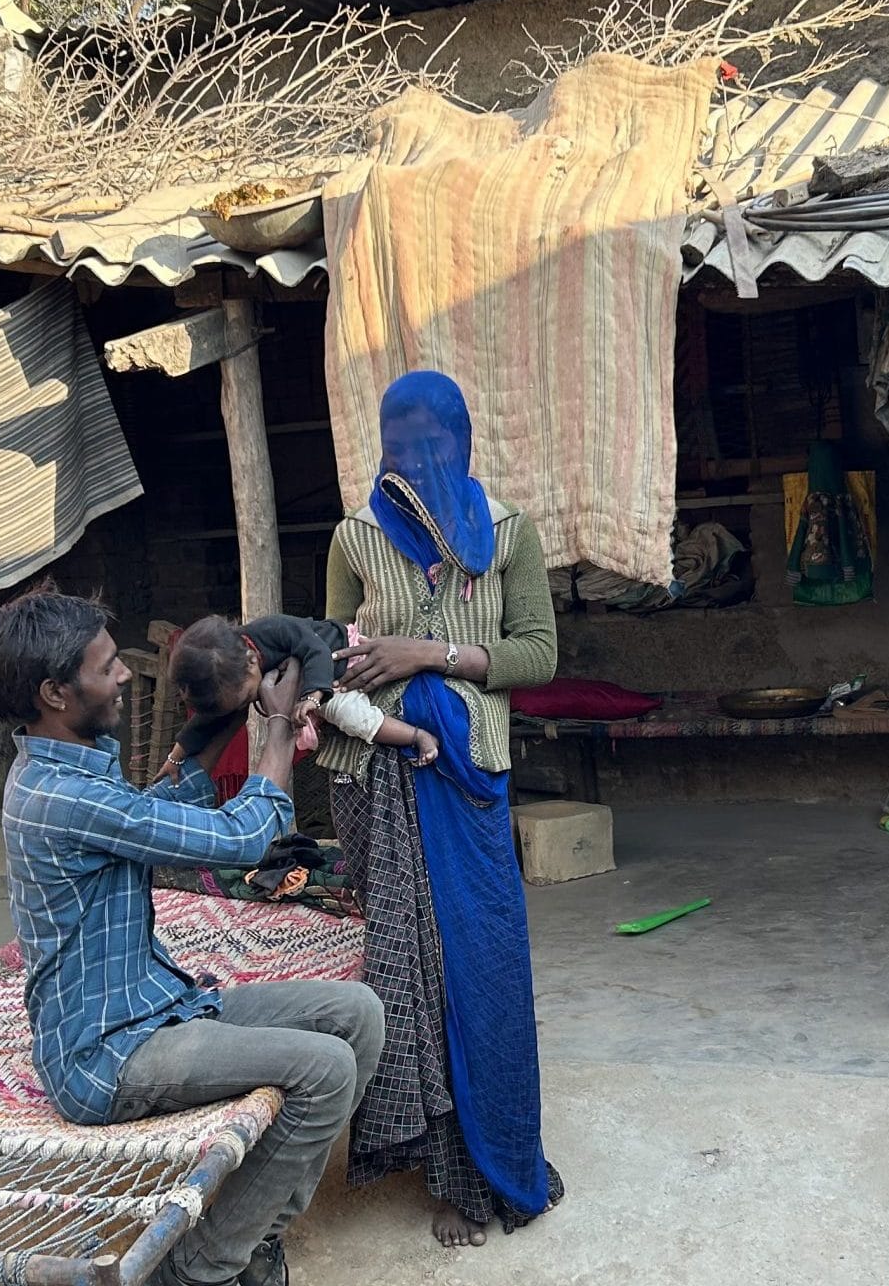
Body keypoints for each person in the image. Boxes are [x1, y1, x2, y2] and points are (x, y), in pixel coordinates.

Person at [0, 590, 385, 1286]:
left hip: (159, 1008)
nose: (124, 675)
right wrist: (279, 726)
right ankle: (197, 1269)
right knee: (326, 1069)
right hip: (108, 1053)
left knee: (358, 1013)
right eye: (106, 666)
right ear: (55, 694)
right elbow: (243, 838)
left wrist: (226, 713)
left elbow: (144, 816)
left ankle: (253, 1237)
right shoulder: (61, 796)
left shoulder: (68, 772)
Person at [314, 370, 564, 1248]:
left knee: (482, 967)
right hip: (377, 775)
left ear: (463, 442)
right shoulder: (353, 538)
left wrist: (430, 653)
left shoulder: (506, 533)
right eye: (402, 443)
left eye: (435, 442)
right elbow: (329, 658)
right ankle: (447, 1173)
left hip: (468, 775)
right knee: (411, 979)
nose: (417, 459)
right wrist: (358, 685)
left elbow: (538, 654)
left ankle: (501, 1158)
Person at [165, 612, 441, 771]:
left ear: (251, 661)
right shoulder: (232, 675)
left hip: (336, 663)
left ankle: (417, 736)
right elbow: (207, 720)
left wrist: (312, 697)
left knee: (351, 716)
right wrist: (175, 757)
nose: (241, 710)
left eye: (245, 699)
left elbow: (315, 650)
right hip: (307, 683)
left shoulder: (273, 628)